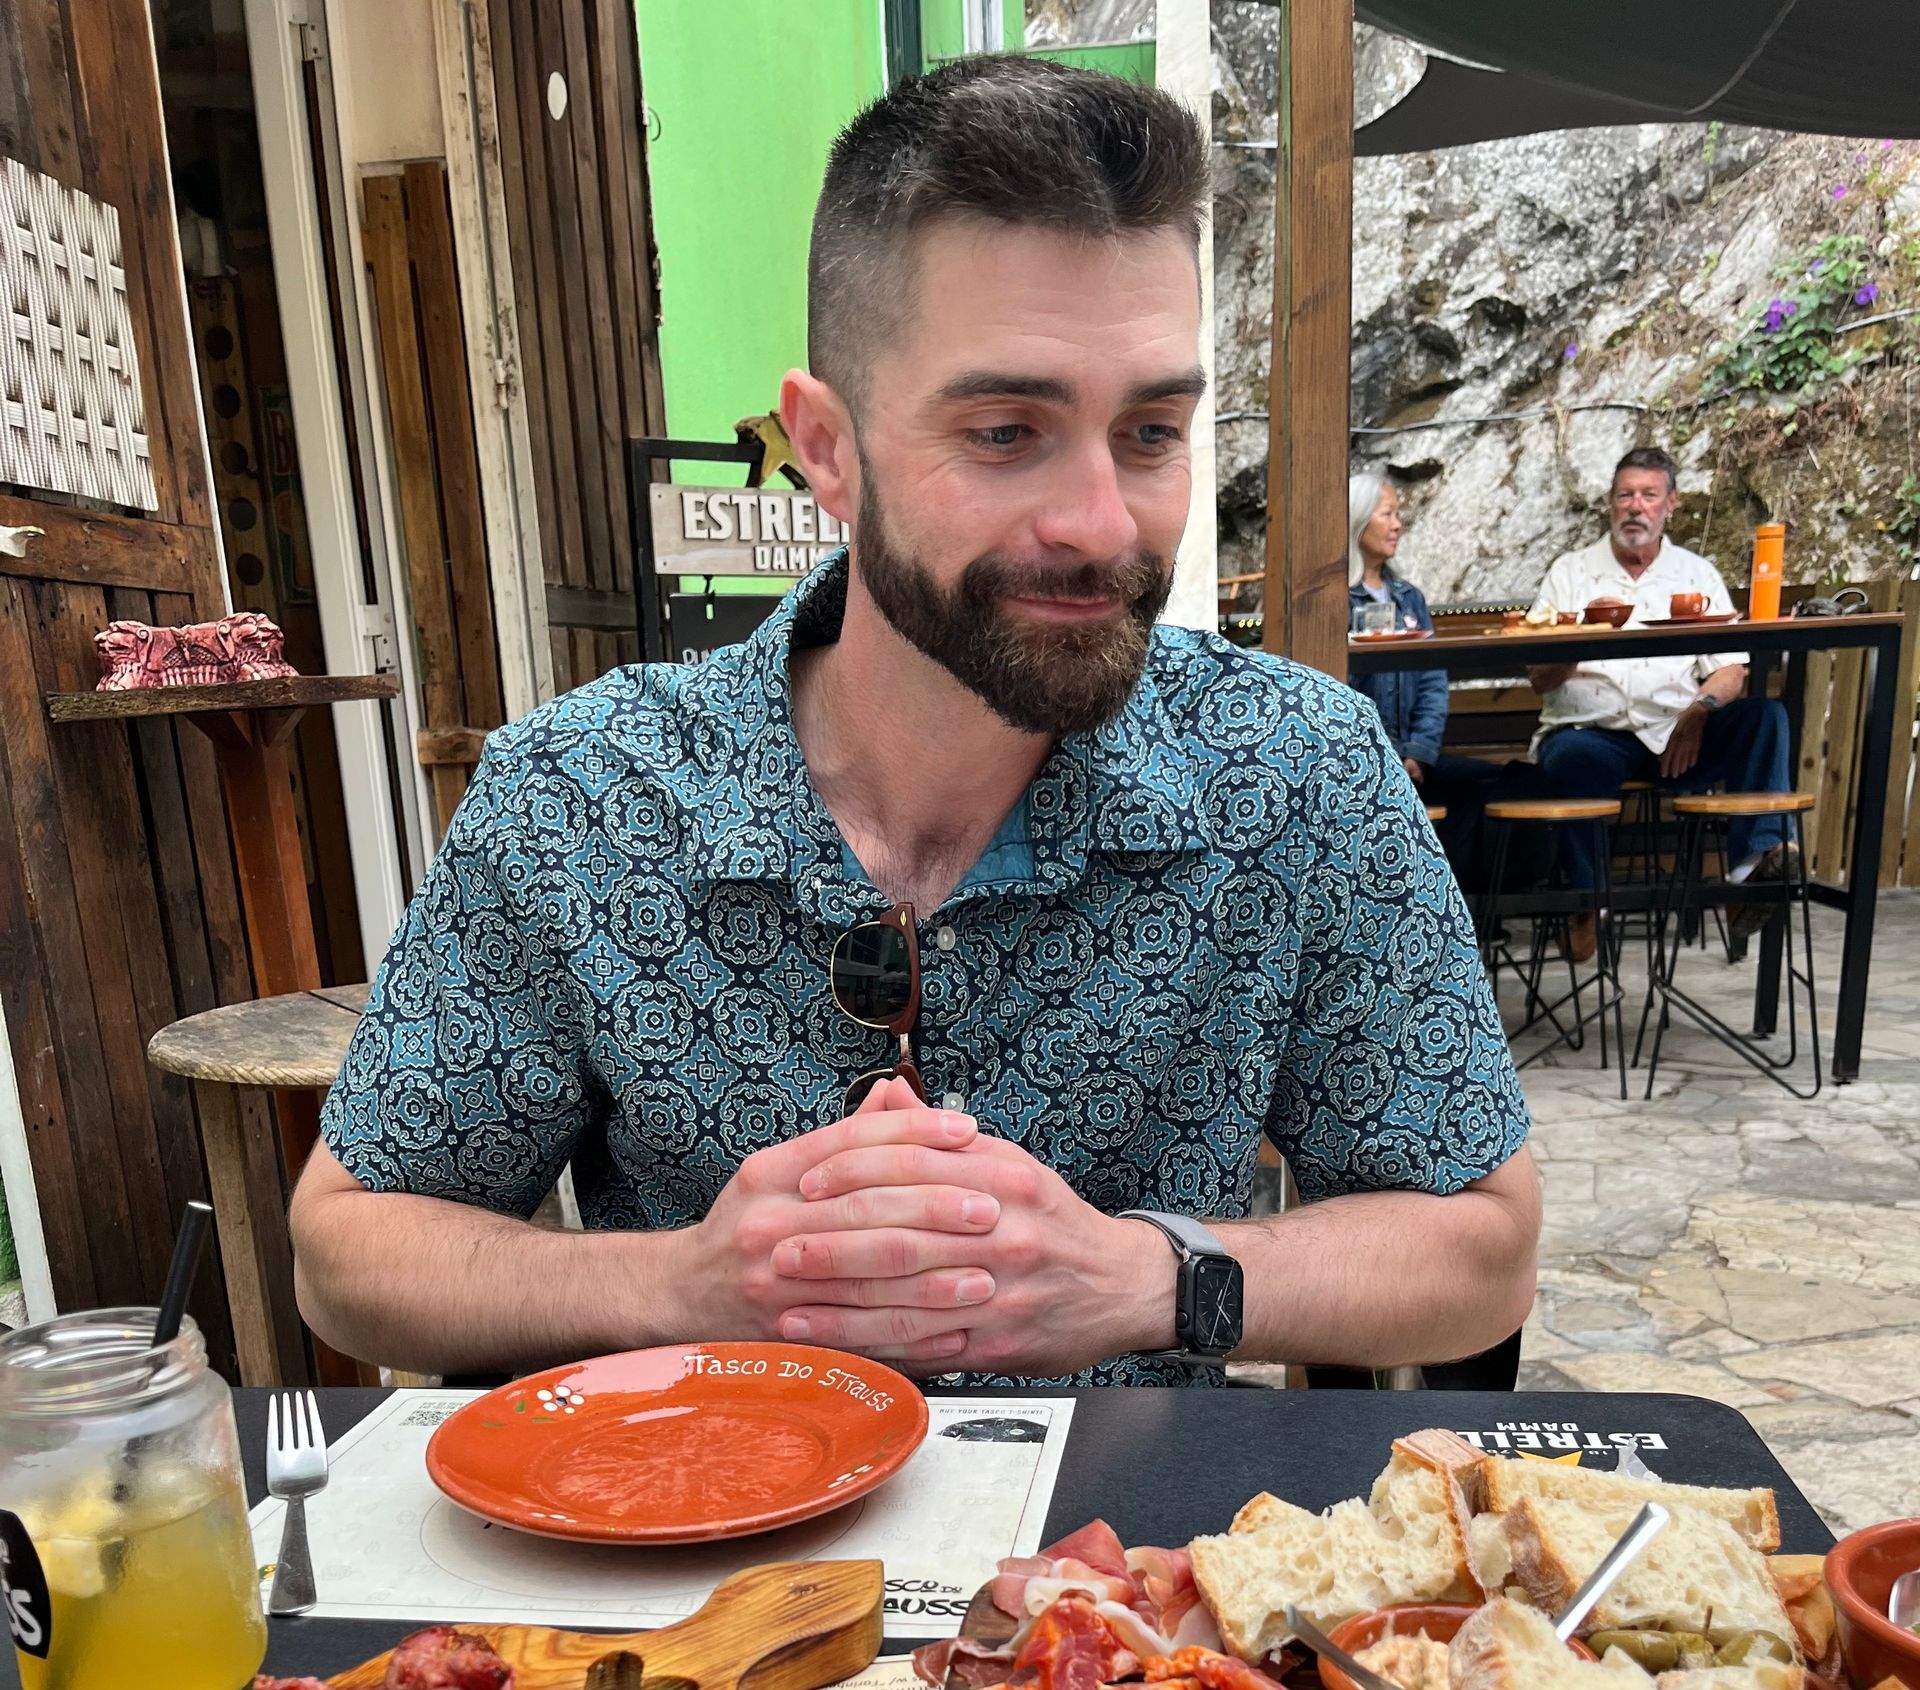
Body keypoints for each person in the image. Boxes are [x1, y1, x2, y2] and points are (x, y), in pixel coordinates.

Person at [292, 56, 1537, 1389]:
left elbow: (1481, 1247)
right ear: (827, 448)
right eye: (1006, 432)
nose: (1104, 525)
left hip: (1118, 1577)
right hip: (702, 1557)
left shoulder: (1296, 775)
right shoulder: (583, 795)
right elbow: (348, 1251)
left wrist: (1151, 1280)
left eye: (1152, 430)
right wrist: (687, 1286)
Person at [1527, 446, 1791, 955]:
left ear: (1670, 504)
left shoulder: (1696, 573)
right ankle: (1588, 899)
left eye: (1649, 496)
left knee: (1766, 717)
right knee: (1568, 755)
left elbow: (1731, 669)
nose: (1635, 507)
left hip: (1678, 735)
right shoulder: (1571, 572)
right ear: (1609, 503)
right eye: (1625, 495)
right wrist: (1580, 635)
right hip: (1597, 736)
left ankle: (1748, 873)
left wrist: (1700, 712)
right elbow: (1540, 678)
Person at [1347, 472, 1529, 891]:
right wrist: (1390, 755)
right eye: (1388, 514)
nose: (1397, 525)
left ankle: (1470, 910)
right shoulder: (1336, 598)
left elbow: (1432, 681)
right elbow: (1340, 688)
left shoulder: (1409, 597)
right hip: (1364, 761)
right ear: (1357, 519)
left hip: (1416, 756)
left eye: (1398, 515)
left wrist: (1419, 752)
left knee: (1491, 783)